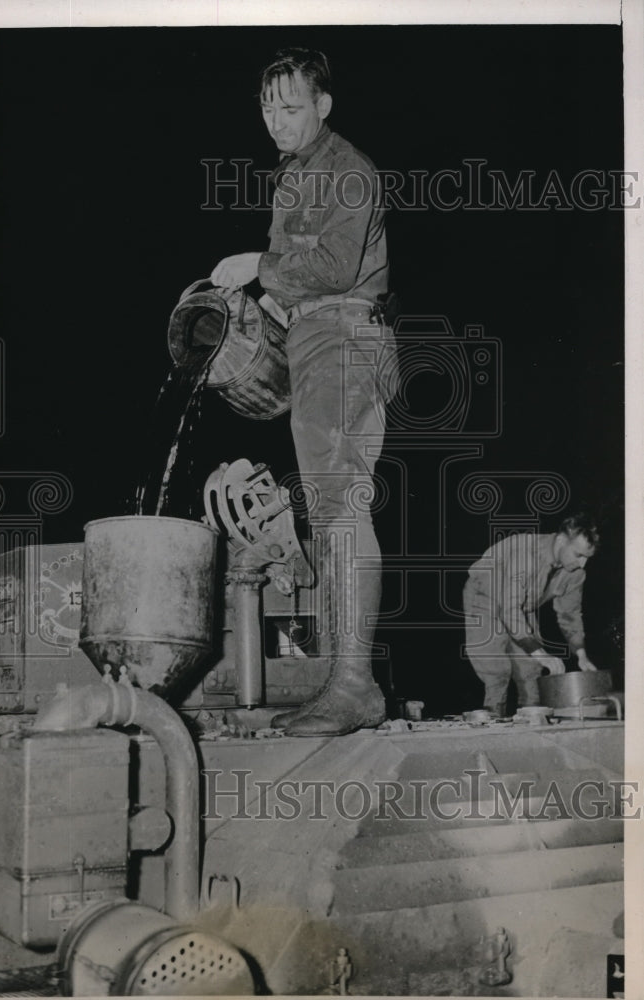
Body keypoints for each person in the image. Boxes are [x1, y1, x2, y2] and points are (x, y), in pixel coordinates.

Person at [210, 47, 397, 736]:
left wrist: (255, 267)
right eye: (266, 107)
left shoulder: (347, 170)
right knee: (326, 510)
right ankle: (342, 683)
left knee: (340, 505)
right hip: (316, 339)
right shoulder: (296, 178)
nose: (276, 121)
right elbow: (300, 281)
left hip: (346, 341)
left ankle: (352, 686)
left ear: (322, 106)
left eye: (290, 107)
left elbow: (332, 264)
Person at [462, 512, 600, 716]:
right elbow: (508, 608)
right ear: (561, 540)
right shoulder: (525, 552)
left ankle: (533, 726)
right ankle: (491, 721)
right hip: (485, 598)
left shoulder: (576, 572)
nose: (582, 564)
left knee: (531, 671)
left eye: (587, 558)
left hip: (522, 606)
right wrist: (540, 653)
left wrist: (581, 654)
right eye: (578, 555)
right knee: (497, 669)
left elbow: (569, 613)